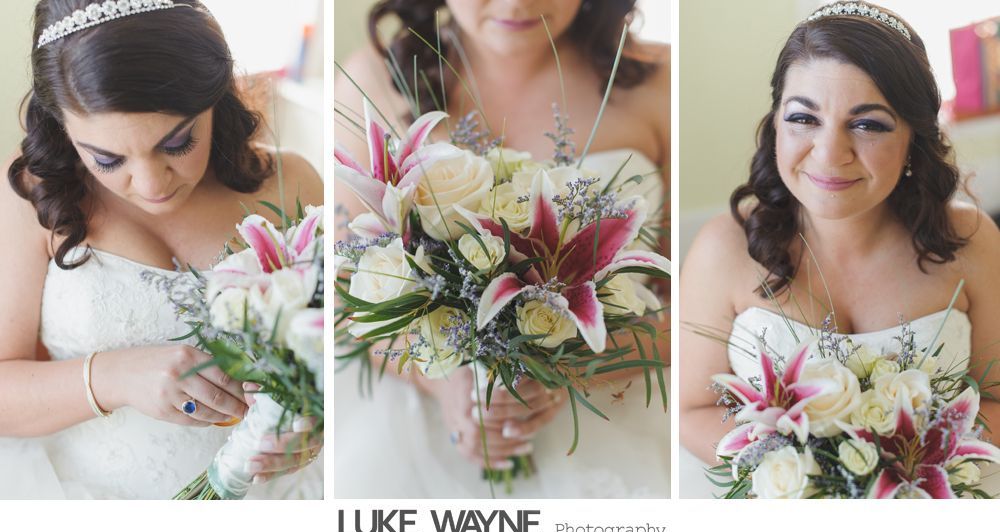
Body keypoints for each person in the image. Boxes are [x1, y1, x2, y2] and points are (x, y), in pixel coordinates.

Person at [334, 0, 670, 497]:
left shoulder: (657, 77)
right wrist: (448, 386)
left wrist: (570, 371)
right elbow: (346, 291)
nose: (517, 4)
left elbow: (683, 307)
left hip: (612, 402)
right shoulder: (376, 76)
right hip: (421, 415)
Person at [0, 0, 323, 499]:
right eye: (107, 158)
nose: (151, 183)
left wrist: (315, 427)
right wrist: (113, 377)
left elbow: (353, 355)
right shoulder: (30, 200)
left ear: (215, 97)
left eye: (176, 144)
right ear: (61, 125)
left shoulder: (293, 183)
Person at [678, 1, 1000, 497]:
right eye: (803, 118)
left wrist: (902, 482)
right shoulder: (723, 249)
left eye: (868, 124)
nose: (829, 153)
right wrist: (814, 483)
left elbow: (997, 399)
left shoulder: (972, 240)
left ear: (914, 137)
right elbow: (691, 410)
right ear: (776, 124)